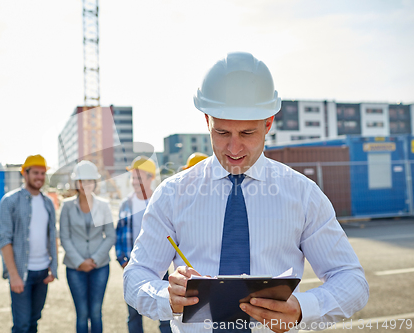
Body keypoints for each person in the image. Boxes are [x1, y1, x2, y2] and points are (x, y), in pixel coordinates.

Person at [123, 52, 369, 333]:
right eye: (223, 133)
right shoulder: (172, 194)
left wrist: (303, 308)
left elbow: (351, 279)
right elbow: (136, 275)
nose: (234, 149)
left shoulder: (303, 195)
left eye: (248, 134)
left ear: (268, 124)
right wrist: (165, 297)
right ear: (207, 121)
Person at [0, 154, 58, 333]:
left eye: (42, 173)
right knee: (21, 325)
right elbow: (4, 240)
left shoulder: (48, 203)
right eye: (35, 173)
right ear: (25, 173)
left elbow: (53, 235)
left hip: (42, 272)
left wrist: (53, 268)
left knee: (34, 321)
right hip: (21, 274)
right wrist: (14, 275)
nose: (39, 177)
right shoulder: (10, 201)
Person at [116, 156, 172, 333]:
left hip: (160, 267)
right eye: (133, 177)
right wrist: (123, 260)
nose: (134, 181)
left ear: (150, 178)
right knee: (133, 314)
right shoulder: (126, 204)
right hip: (135, 266)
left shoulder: (160, 202)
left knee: (165, 314)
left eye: (138, 177)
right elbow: (119, 234)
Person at [59, 160, 116, 333]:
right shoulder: (67, 206)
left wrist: (95, 259)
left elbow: (110, 235)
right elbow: (64, 237)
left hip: (100, 266)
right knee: (82, 313)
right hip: (74, 267)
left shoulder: (104, 205)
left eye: (90, 181)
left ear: (95, 183)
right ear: (76, 183)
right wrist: (79, 262)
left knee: (96, 312)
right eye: (82, 181)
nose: (86, 185)